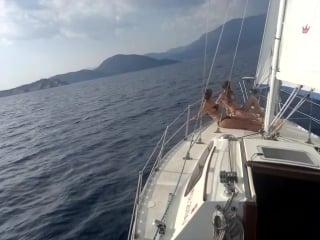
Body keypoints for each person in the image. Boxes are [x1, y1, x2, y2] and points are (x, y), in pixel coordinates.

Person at [196, 88, 262, 132]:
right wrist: (196, 116)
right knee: (245, 124)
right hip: (222, 121)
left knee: (248, 120)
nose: (208, 95)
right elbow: (201, 113)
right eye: (207, 94)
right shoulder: (205, 104)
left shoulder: (211, 101)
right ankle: (262, 130)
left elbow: (221, 106)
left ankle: (263, 126)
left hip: (227, 117)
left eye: (209, 93)